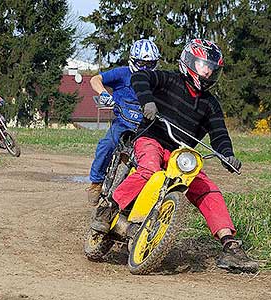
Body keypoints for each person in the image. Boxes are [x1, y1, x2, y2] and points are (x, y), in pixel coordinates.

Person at [91, 39, 259, 273]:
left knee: (207, 189)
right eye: (204, 66)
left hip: (181, 153)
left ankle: (230, 246)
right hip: (151, 139)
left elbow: (219, 133)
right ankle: (109, 207)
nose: (209, 72)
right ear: (189, 62)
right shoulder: (168, 79)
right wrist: (147, 101)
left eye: (212, 68)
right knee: (149, 168)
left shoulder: (210, 103)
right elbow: (140, 78)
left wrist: (227, 155)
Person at [86, 39, 161, 205]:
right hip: (121, 123)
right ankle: (96, 183)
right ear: (133, 61)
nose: (146, 68)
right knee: (106, 144)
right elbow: (95, 80)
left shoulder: (159, 80)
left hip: (145, 128)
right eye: (142, 63)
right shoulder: (122, 73)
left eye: (151, 64)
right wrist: (104, 94)